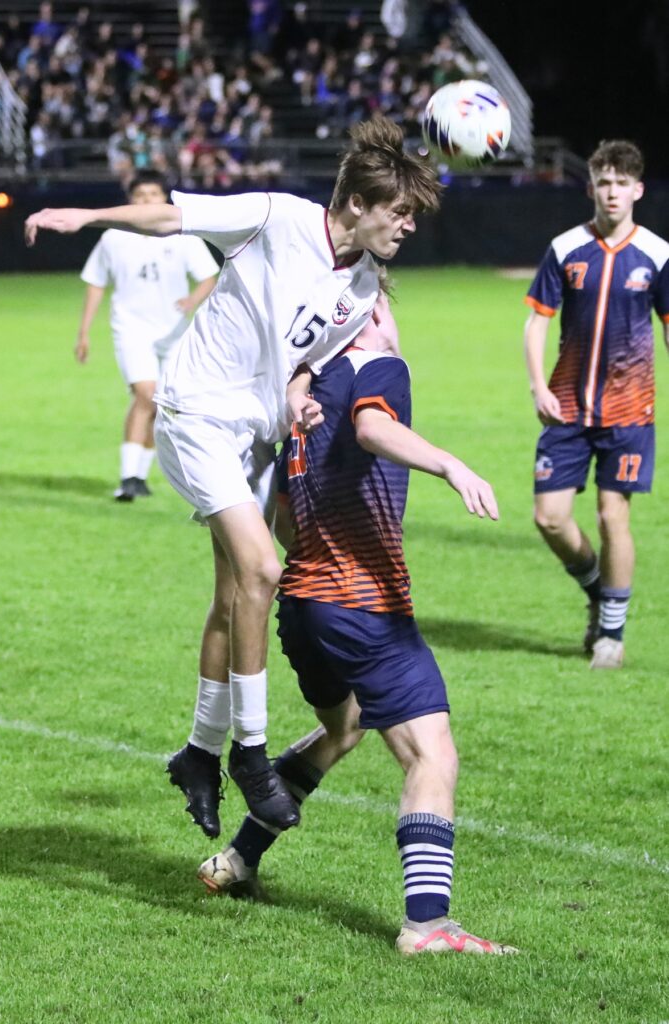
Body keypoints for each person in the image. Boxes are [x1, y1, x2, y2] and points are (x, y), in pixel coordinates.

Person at [24, 115, 441, 835]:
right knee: (261, 570)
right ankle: (249, 754)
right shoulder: (276, 215)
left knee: (231, 599)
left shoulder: (365, 288)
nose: (407, 228)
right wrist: (89, 213)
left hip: (254, 438)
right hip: (194, 414)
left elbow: (300, 364)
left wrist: (298, 400)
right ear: (354, 205)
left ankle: (197, 752)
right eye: (398, 213)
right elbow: (172, 215)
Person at [196, 287, 518, 957]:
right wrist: (450, 464)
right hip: (362, 606)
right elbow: (373, 428)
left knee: (342, 730)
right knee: (431, 752)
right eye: (388, 306)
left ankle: (239, 858)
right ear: (369, 314)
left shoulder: (300, 403)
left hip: (303, 605)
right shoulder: (376, 367)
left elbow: (281, 518)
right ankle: (427, 926)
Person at [524, 140, 669, 669]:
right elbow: (537, 320)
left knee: (613, 517)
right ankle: (595, 586)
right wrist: (538, 385)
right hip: (565, 408)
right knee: (550, 517)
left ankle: (611, 633)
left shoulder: (656, 254)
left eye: (620, 183)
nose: (611, 192)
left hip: (630, 412)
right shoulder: (565, 248)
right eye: (603, 182)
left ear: (637, 190)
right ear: (591, 188)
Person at [76, 170, 219, 501]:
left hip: (173, 331)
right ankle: (127, 477)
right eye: (140, 196)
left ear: (163, 198)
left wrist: (192, 300)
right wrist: (84, 331)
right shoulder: (115, 236)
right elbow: (96, 281)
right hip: (131, 329)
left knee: (162, 403)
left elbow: (208, 276)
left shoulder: (182, 236)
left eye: (153, 195)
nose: (147, 201)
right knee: (145, 394)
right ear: (131, 200)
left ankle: (139, 476)